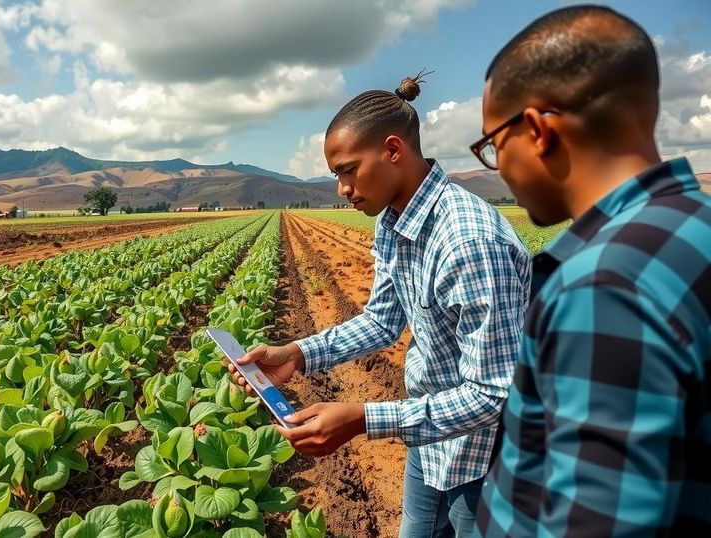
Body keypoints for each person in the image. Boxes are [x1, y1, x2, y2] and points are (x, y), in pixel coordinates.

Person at [226, 73, 532, 537]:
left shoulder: (468, 242)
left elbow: (492, 394)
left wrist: (363, 419)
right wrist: (297, 354)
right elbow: (383, 321)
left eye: (348, 170)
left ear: (393, 150)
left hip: (489, 456)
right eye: (337, 175)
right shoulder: (392, 220)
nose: (342, 189)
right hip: (432, 438)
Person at [472, 5, 711, 536]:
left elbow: (599, 521)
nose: (499, 168)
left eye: (494, 144)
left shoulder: (603, 284)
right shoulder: (696, 229)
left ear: (537, 131)